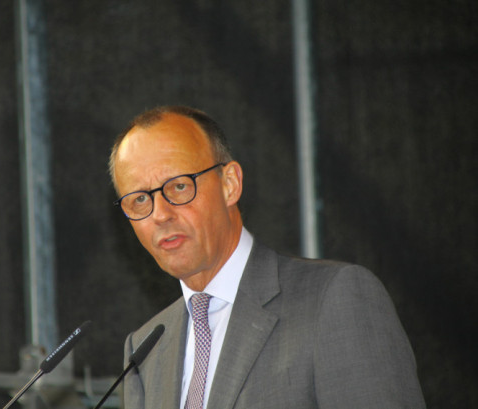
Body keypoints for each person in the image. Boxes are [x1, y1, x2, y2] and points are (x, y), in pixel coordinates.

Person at [109, 105, 425, 409]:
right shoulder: (145, 350)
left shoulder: (333, 299)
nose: (160, 214)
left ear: (230, 185)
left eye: (178, 186)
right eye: (139, 200)